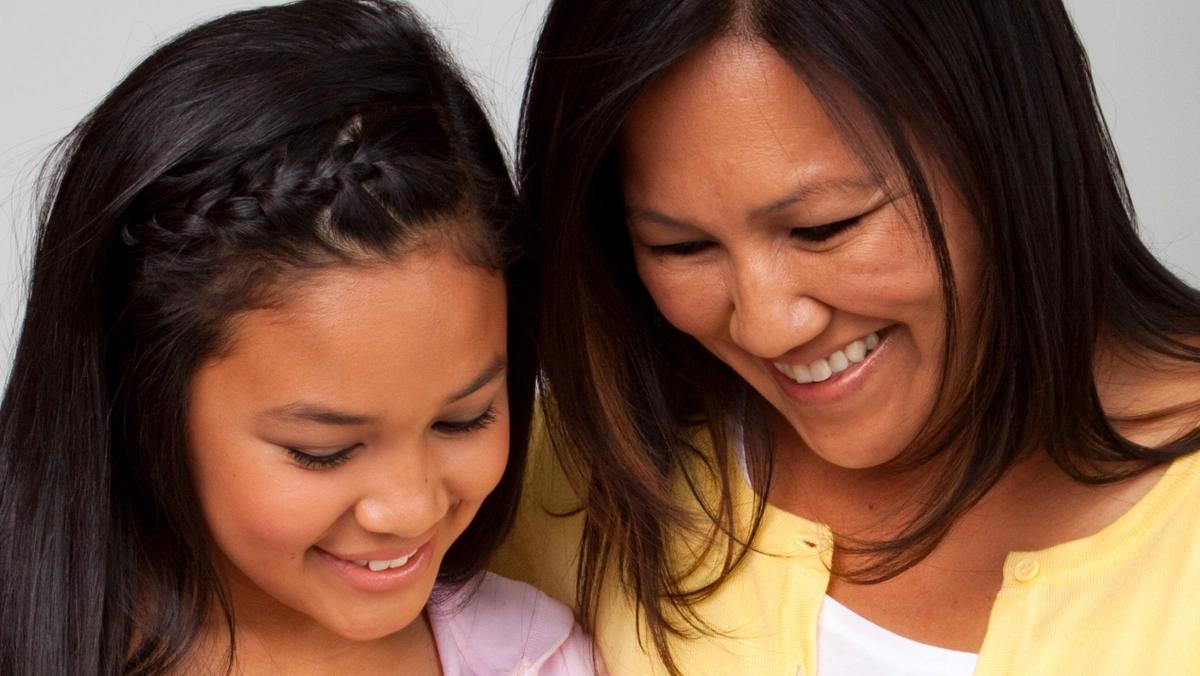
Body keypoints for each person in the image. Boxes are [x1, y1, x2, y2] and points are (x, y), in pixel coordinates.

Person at [493, 1, 1200, 674]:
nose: (767, 326)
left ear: (1005, 149)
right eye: (681, 248)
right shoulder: (541, 477)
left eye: (825, 228)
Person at [0, 1, 598, 674]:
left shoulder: (537, 660)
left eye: (464, 419)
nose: (408, 507)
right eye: (324, 451)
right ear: (142, 402)